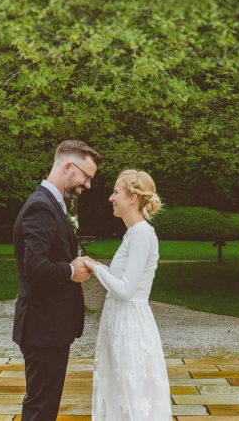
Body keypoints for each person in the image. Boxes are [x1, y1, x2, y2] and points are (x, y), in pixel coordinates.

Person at [12, 140, 101, 421]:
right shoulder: (41, 207)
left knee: (44, 406)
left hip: (48, 328)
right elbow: (35, 267)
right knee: (41, 409)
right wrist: (70, 271)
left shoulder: (51, 203)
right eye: (86, 176)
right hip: (43, 328)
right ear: (67, 166)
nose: (87, 184)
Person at [83, 169, 171, 421]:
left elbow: (125, 289)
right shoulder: (133, 233)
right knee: (119, 386)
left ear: (133, 198)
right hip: (119, 320)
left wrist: (95, 267)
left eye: (116, 192)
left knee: (132, 390)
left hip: (131, 322)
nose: (111, 198)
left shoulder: (142, 234)